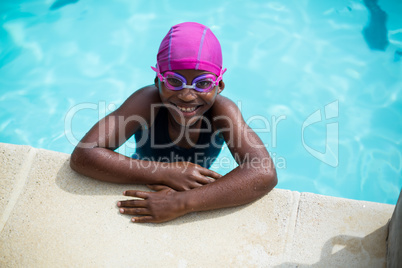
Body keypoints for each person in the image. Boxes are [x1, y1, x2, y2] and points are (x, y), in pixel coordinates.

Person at [70, 22, 277, 223]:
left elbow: (263, 172)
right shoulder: (146, 102)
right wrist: (165, 172)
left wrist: (182, 202)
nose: (187, 96)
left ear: (219, 85)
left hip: (193, 181)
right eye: (174, 81)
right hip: (144, 168)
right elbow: (84, 155)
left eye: (203, 83)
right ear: (157, 81)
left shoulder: (222, 111)